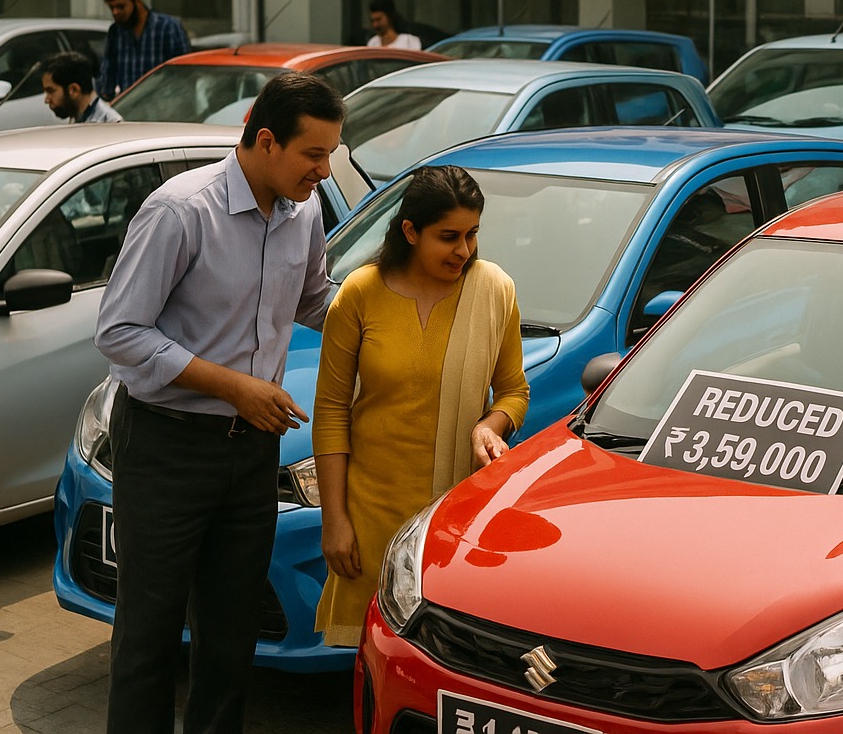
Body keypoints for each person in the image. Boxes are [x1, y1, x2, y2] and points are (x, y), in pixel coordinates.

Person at [94, 71, 345, 734]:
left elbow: (316, 299)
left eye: (330, 154)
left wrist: (400, 322)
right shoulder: (180, 210)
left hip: (251, 455)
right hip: (166, 448)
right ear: (265, 140)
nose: (324, 170)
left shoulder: (307, 210)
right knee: (148, 634)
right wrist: (234, 386)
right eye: (313, 154)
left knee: (231, 639)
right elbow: (119, 333)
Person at [312, 164, 529, 646]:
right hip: (371, 514)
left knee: (442, 662)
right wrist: (335, 520)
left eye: (472, 234)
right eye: (448, 236)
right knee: (373, 659)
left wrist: (490, 426)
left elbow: (514, 390)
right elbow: (330, 411)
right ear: (410, 231)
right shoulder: (359, 294)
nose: (464, 251)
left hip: (453, 518)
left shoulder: (494, 290)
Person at [98, 0, 191, 99]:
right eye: (111, 8)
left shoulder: (167, 27)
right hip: (130, 108)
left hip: (164, 106)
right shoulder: (116, 32)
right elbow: (108, 72)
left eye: (121, 7)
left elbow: (184, 73)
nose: (115, 12)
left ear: (137, 2)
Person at [41, 51, 123, 123]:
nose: (47, 100)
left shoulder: (110, 125)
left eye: (50, 91)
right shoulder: (78, 117)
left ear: (74, 90)